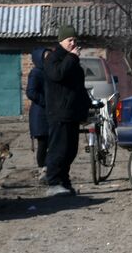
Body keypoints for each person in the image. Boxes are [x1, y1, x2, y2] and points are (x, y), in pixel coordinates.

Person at [42, 25, 92, 197]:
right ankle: (54, 182)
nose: (73, 43)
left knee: (71, 150)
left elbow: (78, 87)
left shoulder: (73, 61)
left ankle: (64, 180)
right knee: (59, 149)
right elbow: (58, 75)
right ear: (61, 41)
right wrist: (71, 57)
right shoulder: (53, 58)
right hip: (59, 112)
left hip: (71, 113)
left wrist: (88, 105)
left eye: (75, 40)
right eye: (70, 40)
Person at [25, 47, 50, 182]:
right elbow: (31, 92)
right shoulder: (36, 73)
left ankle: (49, 168)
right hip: (40, 114)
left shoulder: (51, 72)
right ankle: (43, 170)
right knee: (43, 143)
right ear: (39, 59)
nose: (48, 59)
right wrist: (45, 101)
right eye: (46, 57)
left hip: (51, 112)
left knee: (53, 141)